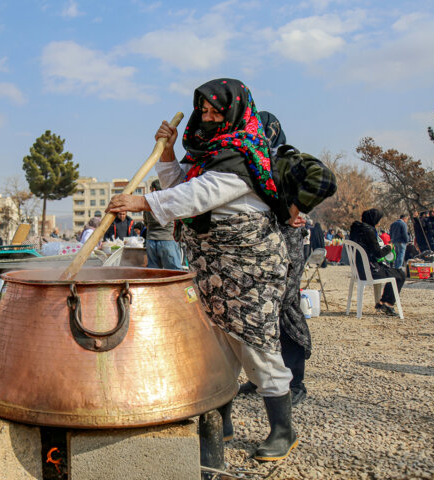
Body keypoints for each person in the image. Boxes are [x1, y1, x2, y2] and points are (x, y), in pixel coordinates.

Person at [106, 78, 297, 461]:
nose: (208, 118)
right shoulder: (208, 151)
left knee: (254, 344)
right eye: (203, 111)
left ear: (236, 112)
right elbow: (181, 183)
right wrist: (169, 152)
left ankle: (282, 429)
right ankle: (220, 422)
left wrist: (141, 202)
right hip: (211, 266)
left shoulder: (243, 153)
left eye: (216, 111)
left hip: (249, 266)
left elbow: (197, 197)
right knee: (216, 345)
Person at [238, 111, 337, 407]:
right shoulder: (252, 163)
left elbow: (323, 179)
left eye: (256, 130)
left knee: (285, 308)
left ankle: (295, 381)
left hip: (286, 245)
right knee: (260, 311)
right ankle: (262, 379)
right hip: (260, 245)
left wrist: (294, 208)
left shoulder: (285, 158)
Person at [349, 209, 406, 316]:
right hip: (370, 271)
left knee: (393, 272)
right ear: (374, 219)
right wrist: (389, 247)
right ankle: (387, 303)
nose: (379, 221)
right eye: (378, 219)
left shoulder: (356, 230)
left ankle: (382, 302)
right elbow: (378, 253)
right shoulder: (369, 231)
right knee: (400, 274)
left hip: (358, 270)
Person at [143, 179, 183, 270]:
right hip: (167, 240)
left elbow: (145, 223)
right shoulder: (168, 201)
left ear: (153, 189)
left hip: (151, 241)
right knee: (174, 272)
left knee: (154, 273)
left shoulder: (147, 203)